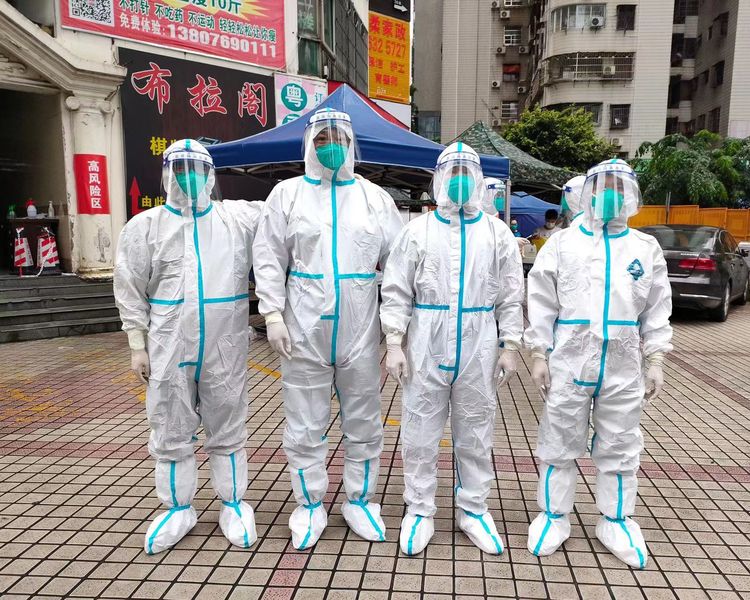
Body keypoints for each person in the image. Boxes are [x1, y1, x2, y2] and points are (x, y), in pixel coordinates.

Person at [252, 108, 404, 550]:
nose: (329, 146)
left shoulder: (375, 198)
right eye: (321, 139)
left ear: (351, 144)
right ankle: (309, 503)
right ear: (309, 144)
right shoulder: (287, 195)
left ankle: (360, 500)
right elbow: (268, 257)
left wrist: (396, 330)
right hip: (304, 328)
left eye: (337, 138)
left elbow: (399, 265)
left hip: (360, 328)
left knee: (365, 420)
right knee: (304, 421)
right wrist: (273, 314)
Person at [114, 139, 263, 554]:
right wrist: (136, 343)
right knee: (169, 422)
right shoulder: (145, 226)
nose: (188, 176)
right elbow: (129, 286)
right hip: (168, 344)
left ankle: (233, 503)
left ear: (210, 174)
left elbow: (289, 219)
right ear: (167, 175)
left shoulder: (237, 218)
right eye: (179, 169)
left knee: (227, 421)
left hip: (224, 343)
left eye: (196, 168)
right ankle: (177, 508)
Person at [525, 158, 672, 569]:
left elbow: (657, 307)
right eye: (603, 186)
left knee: (621, 443)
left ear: (631, 195)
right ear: (588, 193)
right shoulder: (563, 244)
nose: (610, 194)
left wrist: (656, 357)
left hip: (622, 363)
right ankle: (553, 515)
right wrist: (538, 351)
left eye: (619, 186)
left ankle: (616, 519)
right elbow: (541, 300)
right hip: (570, 360)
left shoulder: (644, 248)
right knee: (559, 440)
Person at [381, 143, 524, 556]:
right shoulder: (417, 231)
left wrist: (510, 344)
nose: (459, 179)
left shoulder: (497, 233)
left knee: (476, 430)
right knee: (420, 429)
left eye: (467, 172)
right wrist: (394, 341)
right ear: (439, 178)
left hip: (479, 341)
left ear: (477, 180)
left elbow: (511, 295)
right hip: (426, 339)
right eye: (452, 171)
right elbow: (396, 290)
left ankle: (474, 509)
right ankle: (419, 509)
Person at [484, 177, 530, 252]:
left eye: (502, 194)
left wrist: (511, 241)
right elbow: (487, 242)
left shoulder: (495, 215)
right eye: (498, 195)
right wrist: (512, 241)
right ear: (487, 194)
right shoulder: (479, 217)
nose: (501, 198)